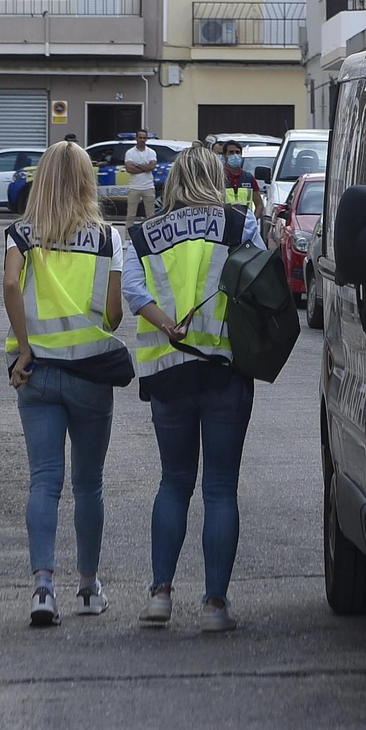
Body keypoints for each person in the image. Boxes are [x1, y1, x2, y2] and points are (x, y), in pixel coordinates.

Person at [122, 148, 264, 630]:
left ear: (173, 180)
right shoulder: (238, 223)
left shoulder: (142, 233)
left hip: (168, 374)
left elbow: (135, 292)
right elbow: (261, 282)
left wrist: (167, 325)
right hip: (226, 370)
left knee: (173, 481)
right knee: (220, 488)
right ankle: (214, 605)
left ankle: (160, 594)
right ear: (214, 177)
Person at [3, 142, 132, 625]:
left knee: (44, 482)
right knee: (89, 485)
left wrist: (25, 345)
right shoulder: (107, 237)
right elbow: (115, 314)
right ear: (85, 182)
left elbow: (12, 285)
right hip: (89, 375)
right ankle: (88, 587)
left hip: (35, 374)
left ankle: (42, 588)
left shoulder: (20, 233)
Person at [124, 129, 159, 230]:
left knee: (151, 216)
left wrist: (137, 165)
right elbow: (129, 169)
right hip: (134, 187)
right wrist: (145, 167)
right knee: (131, 215)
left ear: (146, 139)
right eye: (140, 137)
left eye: (144, 138)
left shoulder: (151, 152)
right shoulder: (130, 152)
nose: (142, 140)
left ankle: (151, 237)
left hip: (148, 187)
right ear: (136, 138)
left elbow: (152, 167)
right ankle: (127, 238)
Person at [222, 140, 267, 220]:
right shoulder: (218, 178)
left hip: (245, 226)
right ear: (225, 155)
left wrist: (252, 221)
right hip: (224, 224)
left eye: (237, 152)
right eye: (231, 152)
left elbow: (259, 205)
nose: (235, 155)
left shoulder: (249, 178)